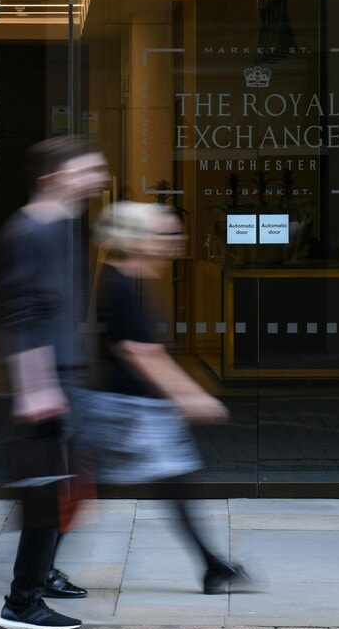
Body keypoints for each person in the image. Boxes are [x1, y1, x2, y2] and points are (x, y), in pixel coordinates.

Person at [80, 203, 250, 593]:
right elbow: (141, 353)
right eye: (165, 234)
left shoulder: (128, 279)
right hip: (131, 410)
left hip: (131, 407)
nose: (176, 241)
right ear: (136, 239)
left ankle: (212, 566)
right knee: (158, 484)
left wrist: (186, 395)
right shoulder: (121, 285)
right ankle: (33, 568)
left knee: (167, 485)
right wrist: (192, 396)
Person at [0, 135, 106, 629]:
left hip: (68, 374)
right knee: (46, 493)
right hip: (50, 379)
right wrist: (36, 385)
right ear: (54, 177)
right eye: (86, 170)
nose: (97, 178)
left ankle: (41, 576)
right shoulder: (30, 230)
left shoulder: (61, 227)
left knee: (68, 485)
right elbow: (20, 311)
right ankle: (22, 604)